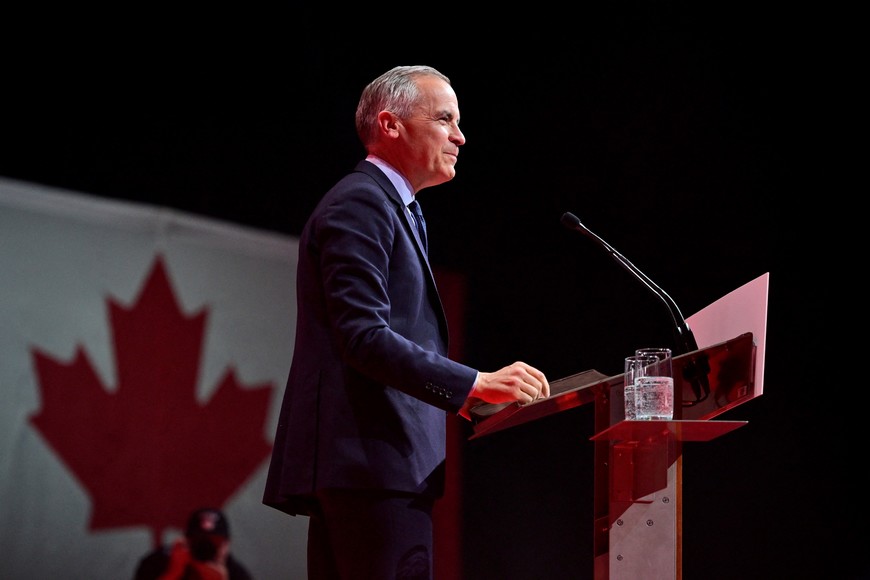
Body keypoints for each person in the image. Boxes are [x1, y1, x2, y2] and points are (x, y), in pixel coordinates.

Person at [262, 64, 550, 580]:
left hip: (371, 467)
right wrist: (473, 384)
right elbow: (364, 337)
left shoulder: (390, 205)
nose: (460, 136)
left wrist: (468, 396)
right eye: (444, 119)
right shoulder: (361, 202)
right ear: (392, 125)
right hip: (370, 465)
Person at [133, 507, 253, 580]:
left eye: (215, 542)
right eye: (200, 540)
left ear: (227, 544)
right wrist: (173, 573)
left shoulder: (236, 573)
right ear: (186, 540)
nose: (206, 548)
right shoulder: (158, 562)